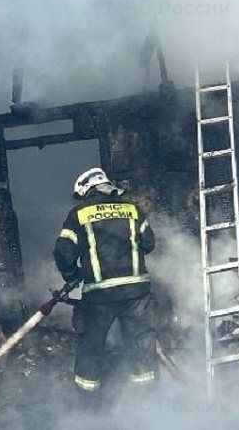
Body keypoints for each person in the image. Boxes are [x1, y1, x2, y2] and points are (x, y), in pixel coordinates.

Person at [54, 167, 158, 406]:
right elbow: (149, 243)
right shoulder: (133, 209)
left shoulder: (79, 214)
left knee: (91, 347)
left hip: (99, 295)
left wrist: (73, 275)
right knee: (140, 345)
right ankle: (149, 403)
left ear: (87, 190)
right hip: (136, 292)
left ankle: (88, 406)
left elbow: (63, 252)